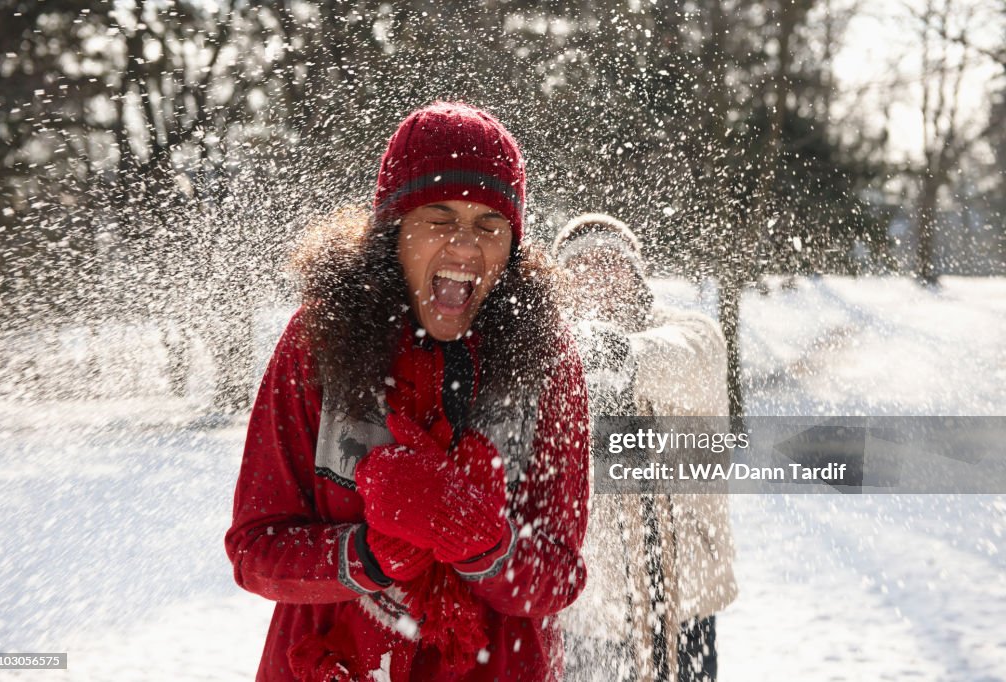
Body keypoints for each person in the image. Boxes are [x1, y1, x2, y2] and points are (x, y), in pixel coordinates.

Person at [224, 102, 591, 682]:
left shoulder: (547, 360)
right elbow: (254, 550)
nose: (466, 246)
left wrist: (484, 548)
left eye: (490, 225)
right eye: (439, 217)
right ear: (393, 232)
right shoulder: (316, 341)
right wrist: (368, 555)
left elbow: (560, 576)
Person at [553, 213, 738, 682]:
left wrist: (617, 354)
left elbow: (688, 360)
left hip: (678, 607)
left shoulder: (690, 333)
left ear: (635, 273)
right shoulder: (552, 351)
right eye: (582, 265)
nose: (597, 275)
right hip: (583, 615)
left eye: (611, 262)